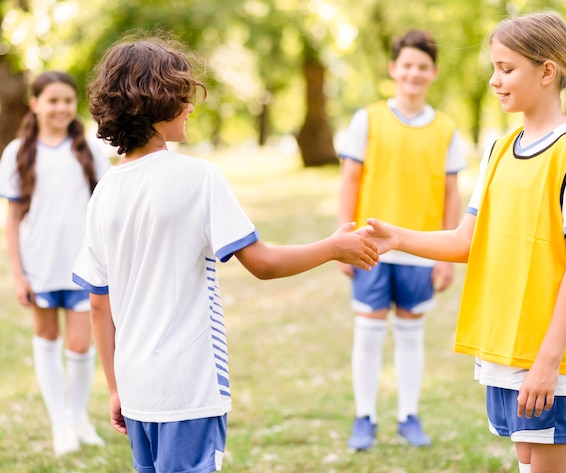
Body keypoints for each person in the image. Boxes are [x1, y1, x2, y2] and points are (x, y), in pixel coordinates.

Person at [71, 36, 379, 473]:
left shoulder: (104, 191)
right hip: (188, 387)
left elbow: (98, 305)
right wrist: (333, 248)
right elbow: (264, 263)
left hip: (136, 388)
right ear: (157, 103)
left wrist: (115, 388)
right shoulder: (199, 177)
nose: (191, 105)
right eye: (183, 95)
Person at [361, 12, 566, 473]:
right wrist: (397, 237)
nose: (495, 80)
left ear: (547, 71)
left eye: (506, 68)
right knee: (526, 463)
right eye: (493, 67)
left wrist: (548, 362)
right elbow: (466, 241)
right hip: (504, 345)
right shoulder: (499, 149)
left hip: (547, 354)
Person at [337, 29, 465, 450]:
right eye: (407, 65)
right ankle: (365, 418)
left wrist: (446, 256)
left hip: (420, 250)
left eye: (422, 67)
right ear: (394, 69)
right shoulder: (367, 119)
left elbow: (451, 194)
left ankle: (409, 416)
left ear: (434, 73)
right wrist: (343, 239)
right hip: (370, 246)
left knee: (411, 335)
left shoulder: (446, 129)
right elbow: (350, 181)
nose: (413, 73)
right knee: (368, 333)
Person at [0, 71, 111, 456]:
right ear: (35, 103)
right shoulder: (17, 152)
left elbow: (104, 210)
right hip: (40, 267)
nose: (61, 107)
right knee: (47, 339)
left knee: (81, 345)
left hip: (82, 266)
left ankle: (78, 417)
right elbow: (11, 221)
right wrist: (18, 275)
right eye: (52, 100)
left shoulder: (90, 150)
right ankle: (60, 422)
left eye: (67, 100)